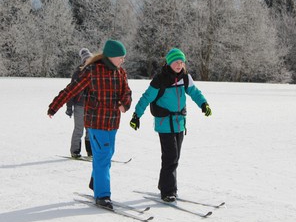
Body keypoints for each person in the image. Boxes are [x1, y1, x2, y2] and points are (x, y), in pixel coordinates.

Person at [48, 39, 132, 209]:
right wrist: (54, 106)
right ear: (110, 56)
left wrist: (125, 103)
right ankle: (102, 195)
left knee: (107, 155)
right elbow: (71, 89)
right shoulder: (92, 71)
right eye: (120, 57)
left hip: (113, 121)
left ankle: (96, 181)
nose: (123, 60)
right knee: (101, 157)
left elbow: (127, 92)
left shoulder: (120, 72)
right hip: (96, 121)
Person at [129, 48, 212, 202]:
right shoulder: (160, 79)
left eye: (181, 62)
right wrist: (136, 115)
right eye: (176, 62)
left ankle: (163, 184)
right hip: (164, 123)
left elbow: (195, 92)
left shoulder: (185, 78)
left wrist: (204, 104)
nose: (179, 65)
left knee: (175, 157)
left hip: (179, 123)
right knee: (170, 157)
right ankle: (168, 191)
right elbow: (146, 98)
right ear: (169, 62)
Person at [66, 48, 93, 158]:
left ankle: (91, 151)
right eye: (86, 60)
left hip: (91, 106)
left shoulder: (94, 72)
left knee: (90, 130)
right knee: (79, 129)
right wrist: (69, 106)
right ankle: (75, 151)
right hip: (79, 105)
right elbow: (71, 91)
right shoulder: (78, 73)